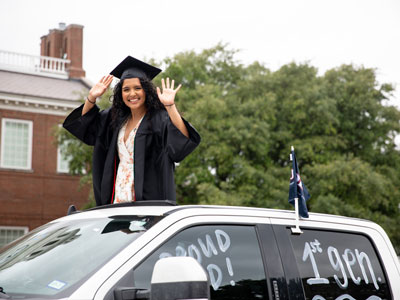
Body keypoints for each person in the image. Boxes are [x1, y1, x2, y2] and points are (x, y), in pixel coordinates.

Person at [63, 56, 201, 206]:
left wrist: (170, 106)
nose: (132, 94)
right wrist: (91, 98)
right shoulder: (114, 119)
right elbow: (87, 127)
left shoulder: (158, 119)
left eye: (137, 88)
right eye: (126, 89)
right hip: (117, 195)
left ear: (146, 90)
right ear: (120, 94)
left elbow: (182, 140)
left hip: (149, 200)